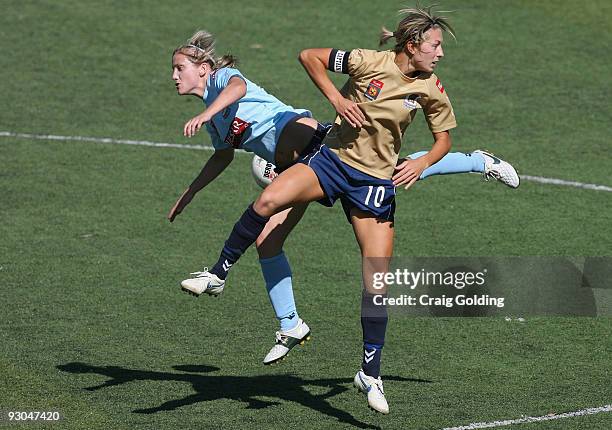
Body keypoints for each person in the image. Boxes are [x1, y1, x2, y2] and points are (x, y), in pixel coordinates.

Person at [171, 7, 500, 414]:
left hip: (368, 181)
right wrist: (337, 97)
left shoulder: (432, 88)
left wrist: (424, 162)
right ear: (413, 45)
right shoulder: (367, 60)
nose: (440, 54)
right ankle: (224, 278)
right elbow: (310, 56)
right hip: (330, 162)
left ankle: (369, 372)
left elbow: (442, 139)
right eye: (435, 45)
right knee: (267, 211)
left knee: (376, 279)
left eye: (180, 68)